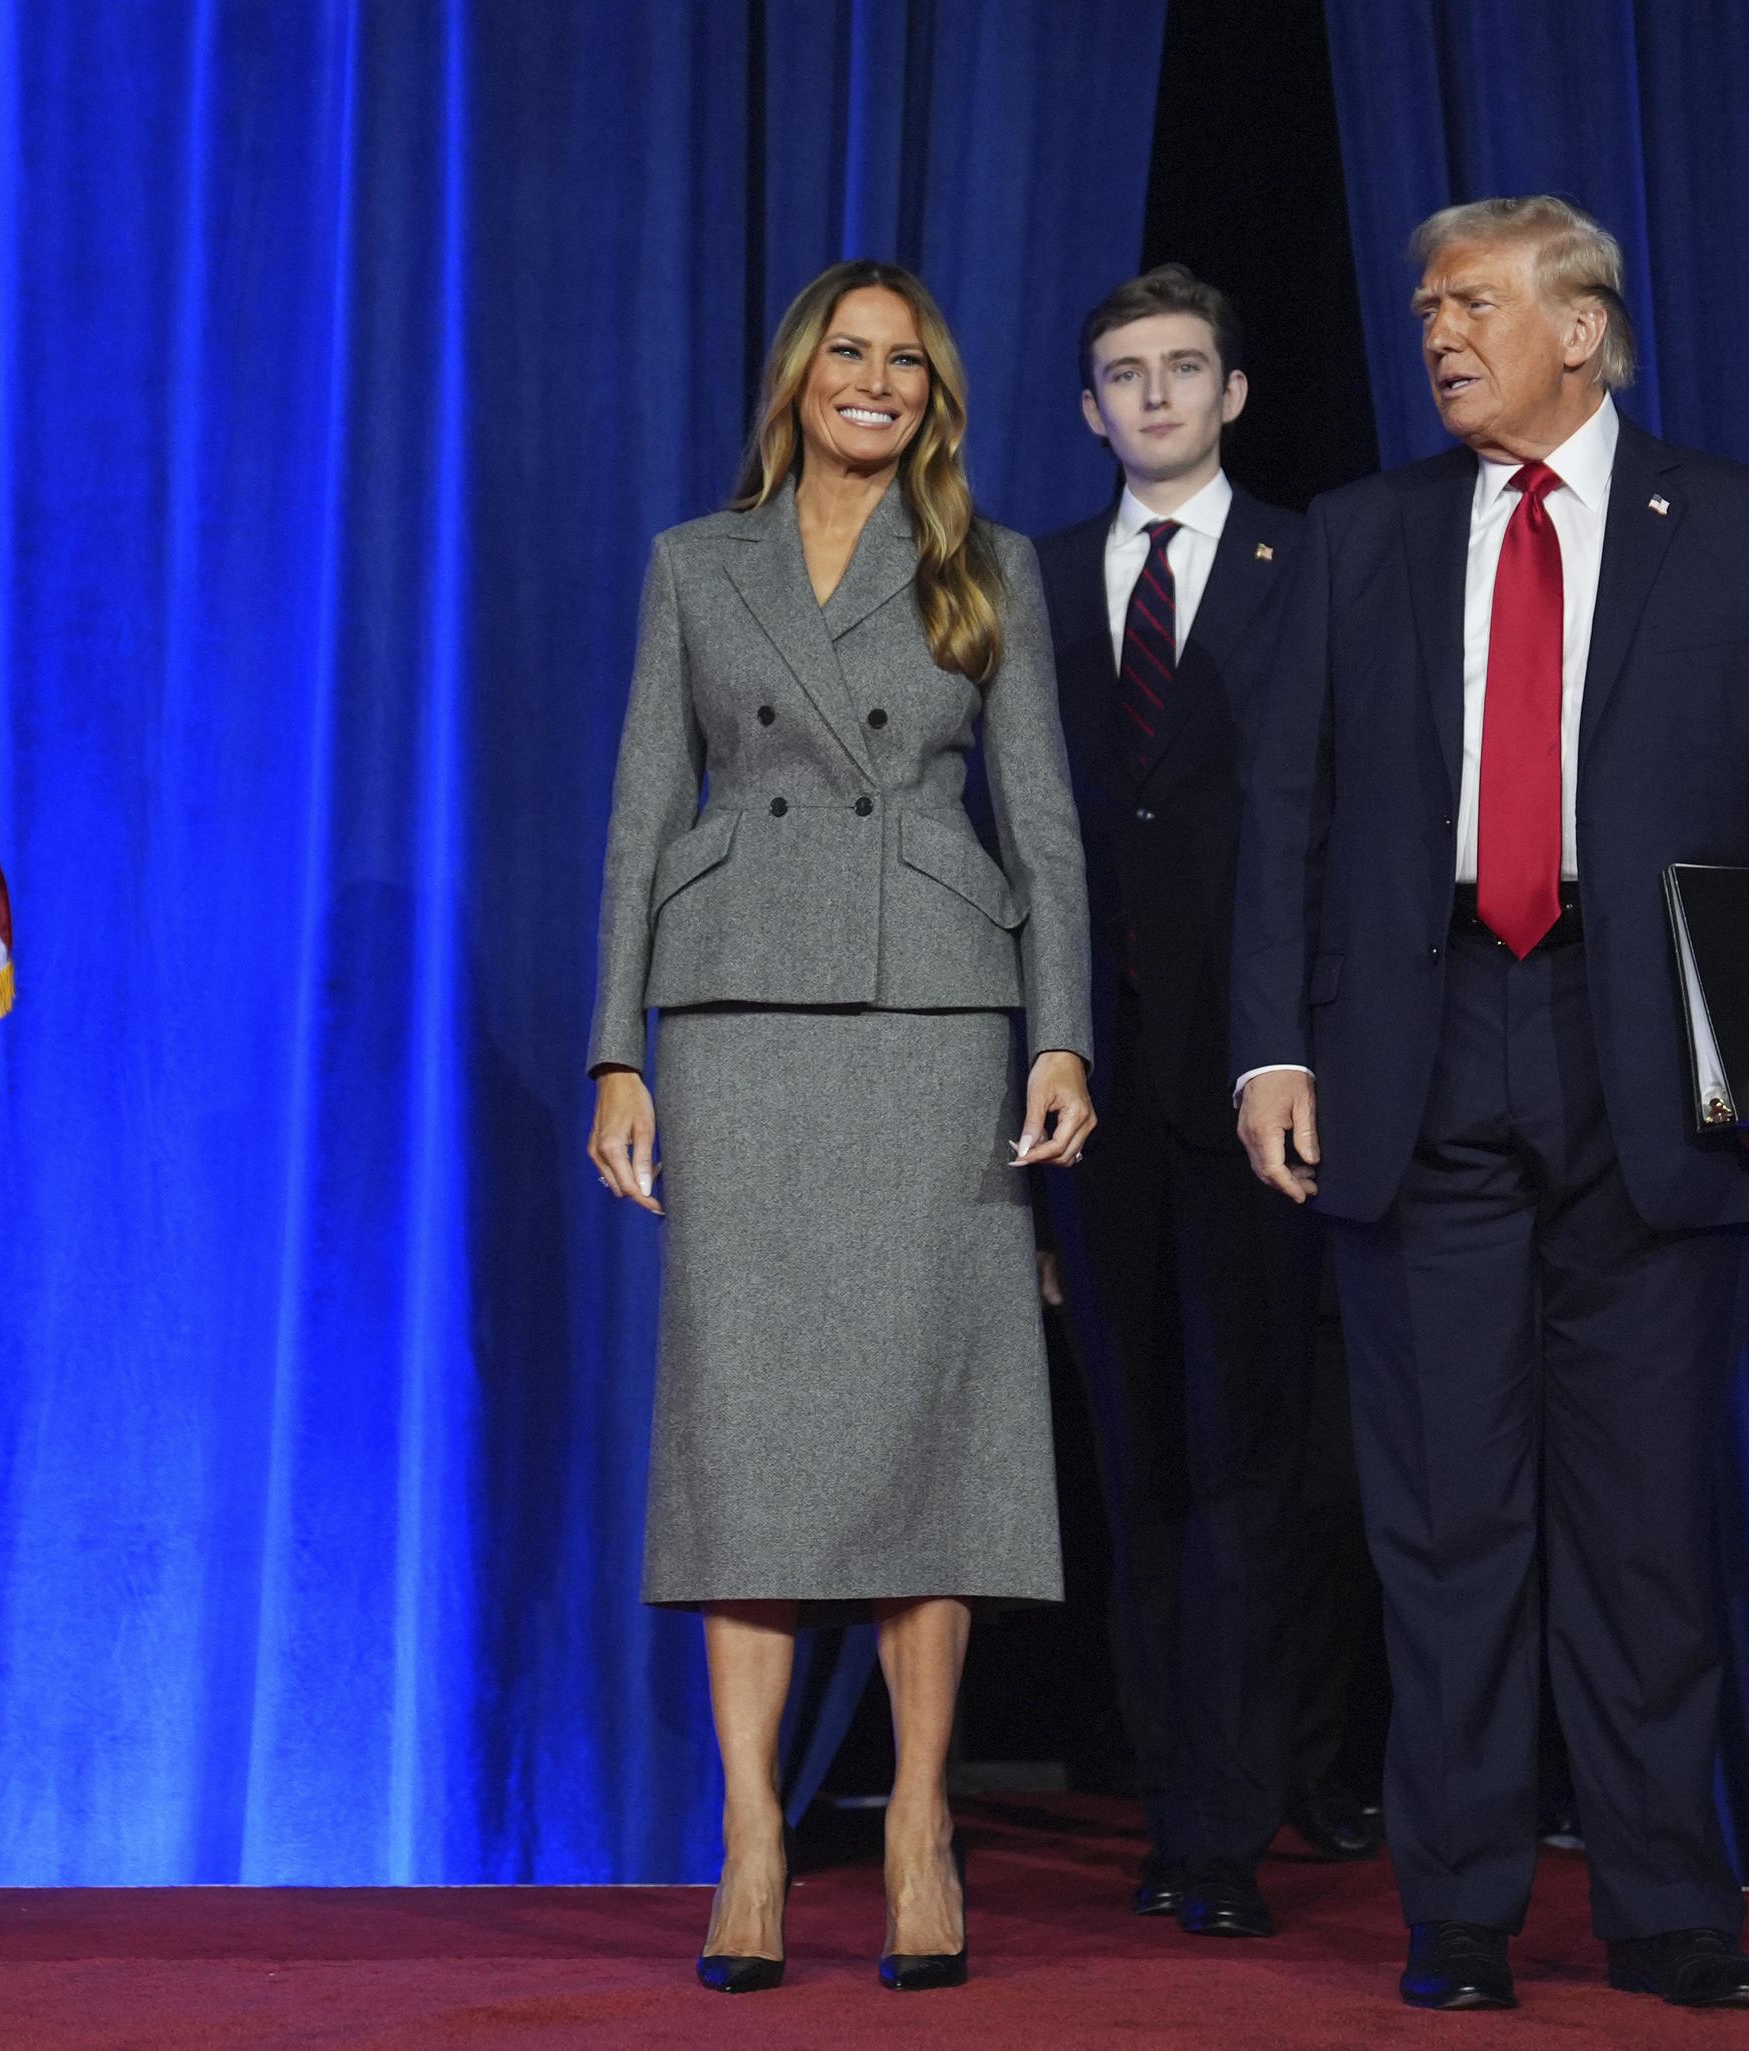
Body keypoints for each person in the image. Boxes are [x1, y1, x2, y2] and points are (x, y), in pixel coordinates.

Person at [1231, 196, 1749, 2014]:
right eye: (1427, 306)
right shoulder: (1363, 538)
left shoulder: (1741, 530)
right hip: (1418, 1053)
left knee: (1645, 1520)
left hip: (1655, 1066)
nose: (1438, 333)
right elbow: (1284, 819)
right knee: (1445, 1521)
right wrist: (1266, 1049)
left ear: (1585, 326)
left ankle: (1668, 1907)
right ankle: (1460, 1908)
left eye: (1475, 304)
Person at [585, 259, 1096, 1996]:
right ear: (800, 373)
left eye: (907, 363)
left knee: (921, 1432)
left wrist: (1064, 1040)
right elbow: (646, 804)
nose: (874, 382)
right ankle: (749, 1840)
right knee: (749, 1438)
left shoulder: (987, 564)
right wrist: (616, 1053)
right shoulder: (692, 565)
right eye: (848, 354)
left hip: (936, 1018)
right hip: (736, 1021)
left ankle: (917, 1825)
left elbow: (1045, 828)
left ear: (933, 397)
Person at [1029, 266, 1362, 1944]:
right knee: (1134, 1458)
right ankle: (1177, 1800)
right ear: (1087, 409)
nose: (1153, 396)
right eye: (1121, 375)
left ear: (1233, 393)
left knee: (1256, 1458)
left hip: (1260, 1082)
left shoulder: (1318, 564)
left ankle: (1237, 1819)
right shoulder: (1022, 582)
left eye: (1183, 369)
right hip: (1086, 1086)